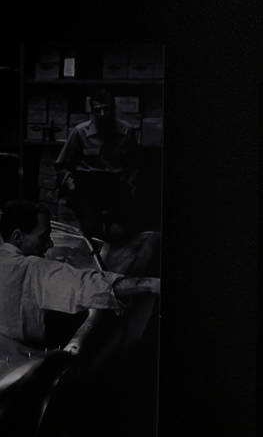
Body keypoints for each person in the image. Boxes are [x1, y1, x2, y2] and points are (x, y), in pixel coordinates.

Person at [0, 200, 159, 351]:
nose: (50, 244)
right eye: (43, 237)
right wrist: (149, 284)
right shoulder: (32, 269)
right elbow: (88, 286)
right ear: (17, 237)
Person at [55, 89, 141, 243]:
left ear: (113, 108)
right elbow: (62, 165)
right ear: (92, 111)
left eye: (106, 109)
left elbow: (134, 164)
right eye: (97, 110)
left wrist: (130, 184)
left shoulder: (126, 132)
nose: (102, 114)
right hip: (88, 185)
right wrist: (71, 185)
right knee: (89, 230)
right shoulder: (80, 132)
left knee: (121, 234)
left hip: (116, 185)